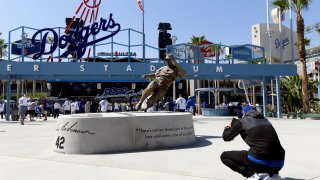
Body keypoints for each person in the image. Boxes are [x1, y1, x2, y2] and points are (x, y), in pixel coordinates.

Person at [220, 105, 285, 180]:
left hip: (260, 162)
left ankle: (251, 176)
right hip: (279, 163)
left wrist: (228, 126)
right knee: (265, 148)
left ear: (243, 113)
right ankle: (274, 176)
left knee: (224, 156)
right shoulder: (266, 121)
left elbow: (226, 137)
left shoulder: (241, 122)